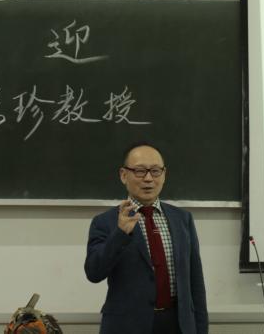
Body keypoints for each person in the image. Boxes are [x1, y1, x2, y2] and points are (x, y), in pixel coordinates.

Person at [84, 141, 209, 334]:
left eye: (155, 171)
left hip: (178, 324)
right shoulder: (105, 222)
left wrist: (201, 329)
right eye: (140, 171)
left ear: (164, 175)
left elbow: (196, 281)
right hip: (127, 326)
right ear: (123, 175)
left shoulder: (182, 219)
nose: (149, 178)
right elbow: (94, 272)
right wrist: (120, 234)